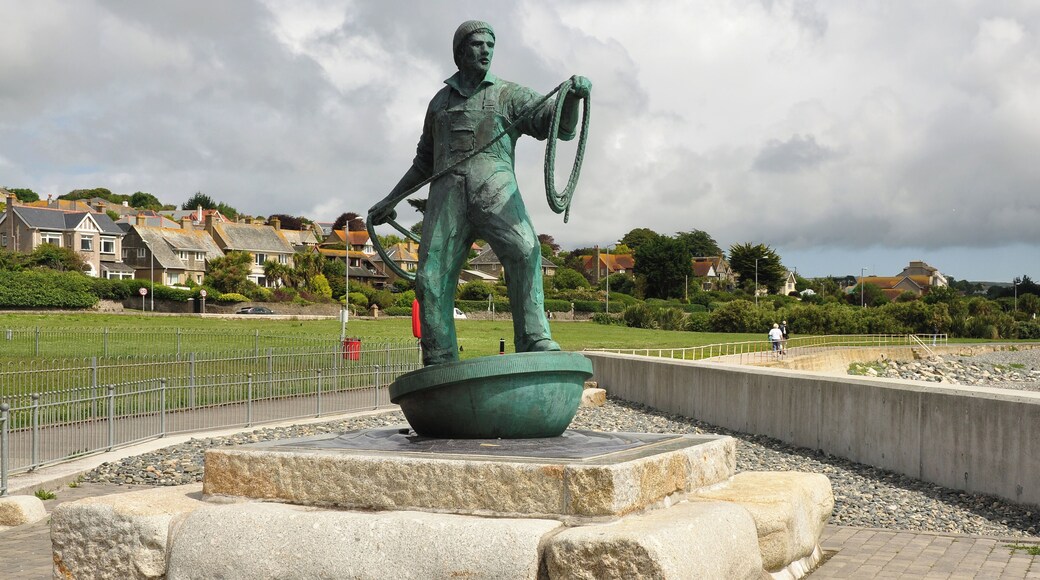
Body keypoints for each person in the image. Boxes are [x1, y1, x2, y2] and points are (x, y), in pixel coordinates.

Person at [370, 20, 591, 366]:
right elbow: (424, 162)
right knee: (430, 278)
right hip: (447, 199)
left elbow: (559, 126)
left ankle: (534, 339)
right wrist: (390, 199)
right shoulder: (439, 103)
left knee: (525, 250)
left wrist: (574, 96)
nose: (485, 50)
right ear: (459, 52)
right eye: (477, 44)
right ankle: (439, 357)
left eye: (490, 44)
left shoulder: (508, 94)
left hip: (496, 190)